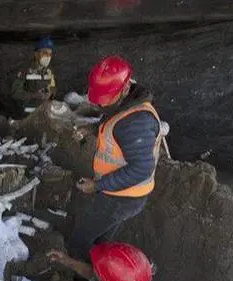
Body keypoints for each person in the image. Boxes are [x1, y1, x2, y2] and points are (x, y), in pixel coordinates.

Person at [68, 55, 163, 262]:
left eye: (106, 97)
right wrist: (91, 130)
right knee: (101, 241)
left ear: (126, 87)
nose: (101, 105)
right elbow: (114, 128)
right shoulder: (125, 106)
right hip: (122, 193)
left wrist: (98, 185)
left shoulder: (135, 122)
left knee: (79, 241)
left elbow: (141, 168)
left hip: (122, 197)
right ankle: (104, 277)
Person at [11, 36, 57, 117]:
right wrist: (34, 95)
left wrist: (50, 93)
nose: (48, 57)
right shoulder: (25, 70)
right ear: (36, 54)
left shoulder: (49, 70)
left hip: (44, 112)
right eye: (44, 53)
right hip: (27, 113)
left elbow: (53, 87)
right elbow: (15, 93)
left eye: (50, 54)